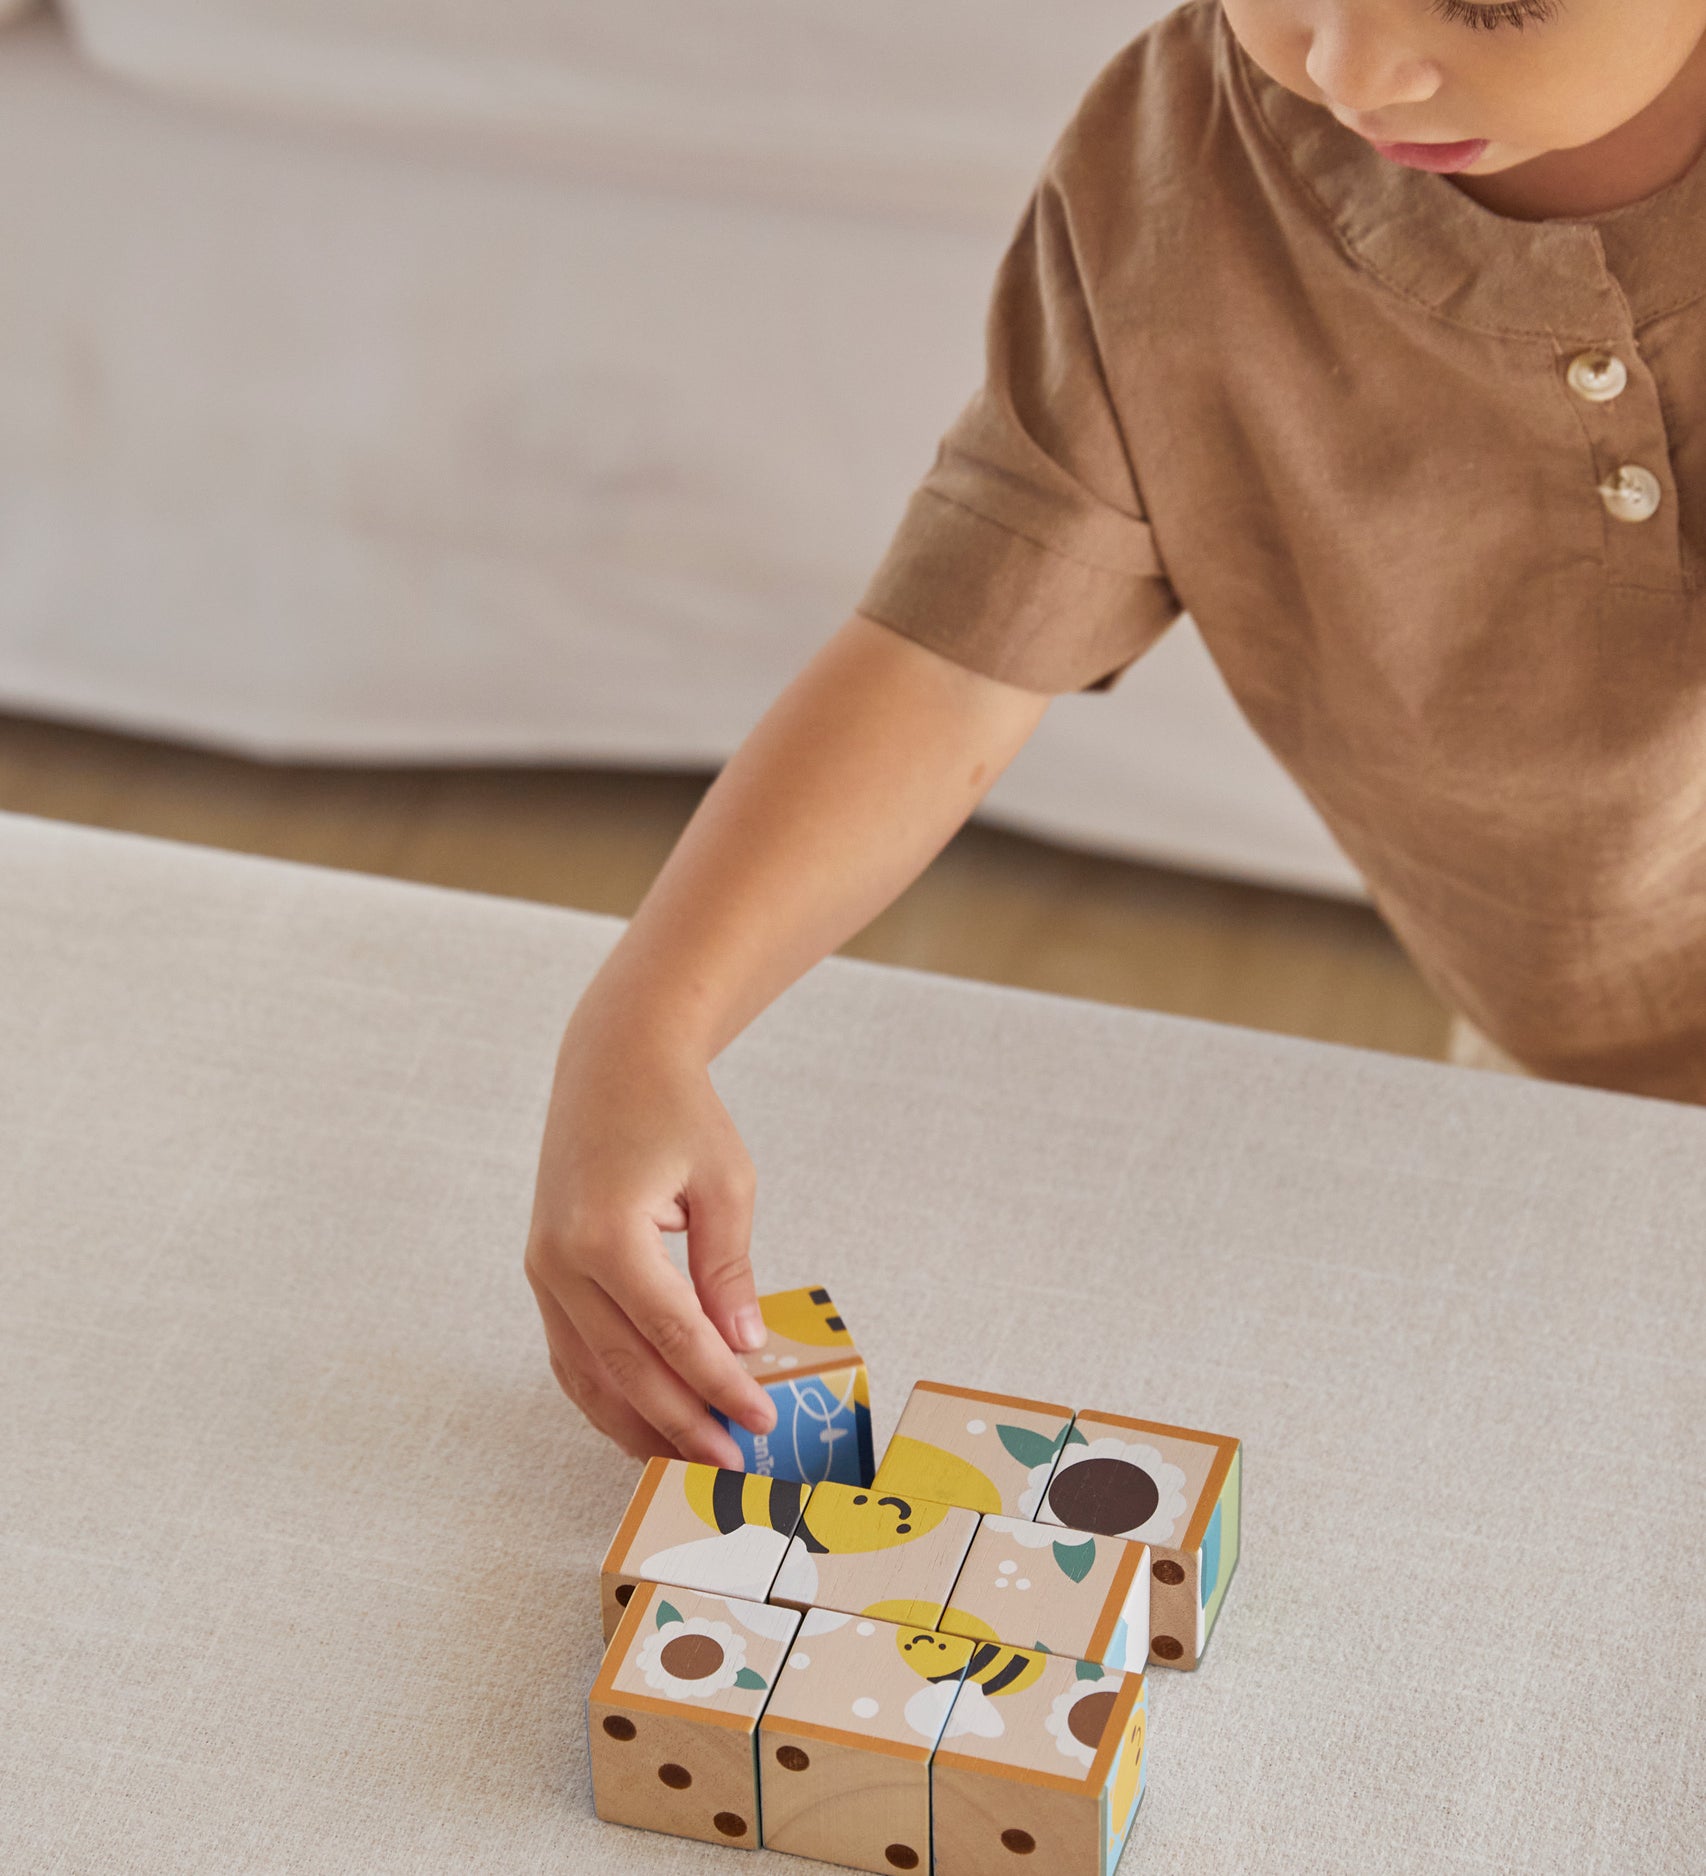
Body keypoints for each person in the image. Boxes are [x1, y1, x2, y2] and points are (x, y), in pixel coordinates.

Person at [525, 0, 1706, 1466]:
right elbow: (956, 650)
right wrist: (645, 1021)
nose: (1351, 72)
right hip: (1557, 1068)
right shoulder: (1180, 172)